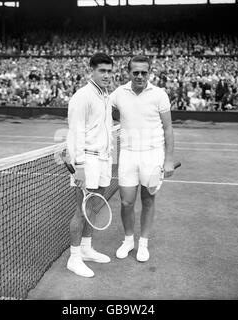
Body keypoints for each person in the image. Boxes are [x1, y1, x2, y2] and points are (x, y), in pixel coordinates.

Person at [110, 55, 175, 263]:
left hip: (153, 154)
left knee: (148, 200)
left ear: (149, 72)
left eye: (143, 72)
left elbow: (168, 128)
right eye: (135, 72)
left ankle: (143, 243)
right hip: (128, 154)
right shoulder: (118, 93)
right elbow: (106, 113)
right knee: (126, 201)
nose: (139, 76)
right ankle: (128, 240)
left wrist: (169, 160)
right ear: (129, 72)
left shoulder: (160, 94)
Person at [66, 53, 114, 278]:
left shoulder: (106, 95)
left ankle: (86, 248)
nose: (106, 75)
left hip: (104, 160)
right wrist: (80, 167)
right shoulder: (82, 96)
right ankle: (74, 258)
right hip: (87, 161)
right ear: (91, 71)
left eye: (109, 71)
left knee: (94, 207)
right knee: (80, 210)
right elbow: (75, 133)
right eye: (102, 71)